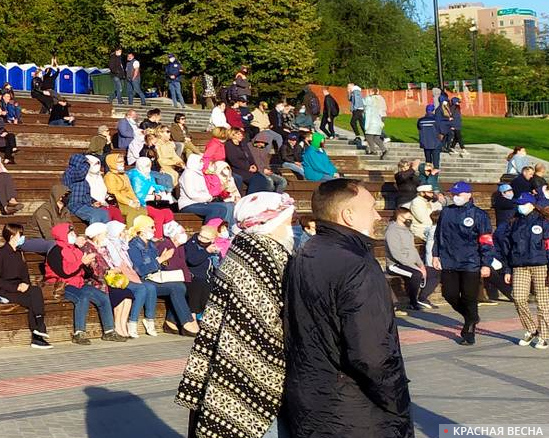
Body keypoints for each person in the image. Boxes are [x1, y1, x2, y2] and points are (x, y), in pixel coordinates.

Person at [283, 179, 410, 438]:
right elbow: (371, 355)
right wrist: (398, 399)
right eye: (371, 208)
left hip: (310, 404)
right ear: (348, 215)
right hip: (355, 413)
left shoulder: (305, 252)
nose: (377, 215)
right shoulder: (357, 265)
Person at [175, 190, 297, 438]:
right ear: (271, 222)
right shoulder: (265, 255)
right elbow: (264, 327)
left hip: (234, 368)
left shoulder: (241, 249)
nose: (290, 228)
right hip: (257, 376)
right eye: (288, 221)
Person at [432, 180, 493, 344]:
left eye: (458, 194)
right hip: (449, 260)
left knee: (469, 297)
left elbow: (486, 240)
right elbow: (439, 235)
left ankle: (469, 331)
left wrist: (486, 263)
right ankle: (472, 316)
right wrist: (435, 254)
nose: (455, 197)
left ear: (469, 195)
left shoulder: (479, 215)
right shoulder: (446, 212)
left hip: (470, 262)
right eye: (453, 194)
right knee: (449, 294)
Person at [43, 223, 118, 344]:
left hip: (78, 283)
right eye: (70, 233)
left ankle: (109, 331)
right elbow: (63, 273)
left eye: (74, 233)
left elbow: (85, 273)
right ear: (63, 235)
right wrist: (81, 262)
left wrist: (88, 265)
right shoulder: (55, 251)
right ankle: (79, 332)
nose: (74, 236)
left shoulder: (76, 249)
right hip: (61, 285)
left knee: (103, 297)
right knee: (82, 297)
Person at [125, 214, 196, 336]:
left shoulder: (151, 244)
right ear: (141, 230)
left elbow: (160, 263)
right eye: (151, 227)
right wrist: (160, 259)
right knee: (174, 287)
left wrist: (163, 260)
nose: (154, 230)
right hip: (143, 280)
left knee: (179, 286)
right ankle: (186, 322)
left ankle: (176, 321)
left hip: (154, 277)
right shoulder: (133, 246)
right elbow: (139, 270)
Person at [0, 223, 51, 348]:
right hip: (4, 288)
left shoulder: (20, 253)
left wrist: (25, 285)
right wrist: (15, 288)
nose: (22, 237)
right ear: (11, 236)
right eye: (20, 234)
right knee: (33, 301)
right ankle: (39, 332)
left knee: (35, 292)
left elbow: (25, 275)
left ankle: (39, 329)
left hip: (19, 286)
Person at [501, 191, 549, 346]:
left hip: (541, 264)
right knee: (519, 297)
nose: (520, 207)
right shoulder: (514, 222)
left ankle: (544, 335)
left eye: (523, 204)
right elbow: (508, 247)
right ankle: (531, 329)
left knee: (543, 302)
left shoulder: (543, 221)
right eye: (518, 204)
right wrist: (508, 269)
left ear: (532, 205)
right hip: (519, 265)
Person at [385, 205, 437, 315]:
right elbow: (396, 254)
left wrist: (421, 265)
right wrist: (415, 267)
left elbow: (413, 249)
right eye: (408, 216)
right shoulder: (392, 231)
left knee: (432, 271)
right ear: (400, 216)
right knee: (416, 274)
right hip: (395, 265)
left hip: (409, 263)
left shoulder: (406, 230)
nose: (410, 219)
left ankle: (422, 297)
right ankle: (413, 302)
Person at [63, 153, 111, 225]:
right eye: (83, 164)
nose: (86, 166)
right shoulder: (70, 172)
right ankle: (95, 234)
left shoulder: (84, 182)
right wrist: (87, 163)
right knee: (96, 215)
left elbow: (86, 194)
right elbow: (81, 174)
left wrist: (93, 201)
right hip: (75, 204)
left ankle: (105, 234)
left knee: (104, 213)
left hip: (85, 204)